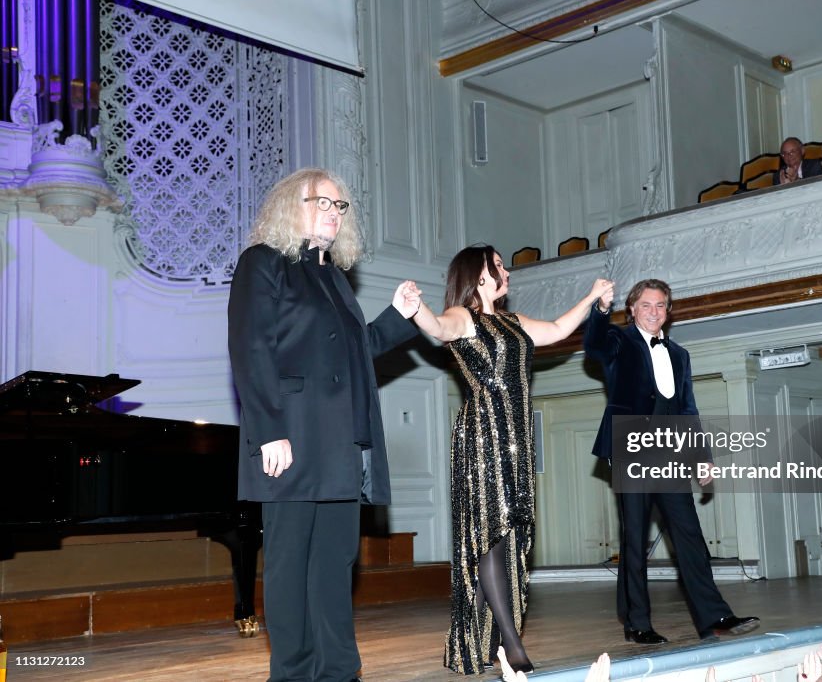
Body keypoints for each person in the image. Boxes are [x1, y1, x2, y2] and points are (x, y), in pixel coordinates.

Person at [227, 167, 421, 682]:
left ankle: (339, 670)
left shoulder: (333, 277)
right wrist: (269, 430)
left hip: (341, 442)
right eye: (323, 203)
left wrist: (396, 317)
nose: (334, 214)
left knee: (335, 564)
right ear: (292, 205)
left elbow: (357, 351)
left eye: (340, 207)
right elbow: (250, 350)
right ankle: (292, 673)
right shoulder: (263, 264)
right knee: (290, 565)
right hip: (290, 437)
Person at [409, 244, 614, 675]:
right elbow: (439, 328)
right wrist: (416, 310)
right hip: (482, 438)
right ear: (478, 275)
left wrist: (591, 297)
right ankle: (511, 644)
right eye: (498, 265)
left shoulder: (514, 322)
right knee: (492, 536)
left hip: (516, 441)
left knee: (510, 539)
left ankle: (478, 642)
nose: (506, 270)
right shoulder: (465, 318)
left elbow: (559, 328)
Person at [583, 279, 759, 644]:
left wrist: (702, 456)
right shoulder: (620, 340)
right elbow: (594, 344)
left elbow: (686, 409)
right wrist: (600, 309)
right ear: (631, 309)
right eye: (646, 305)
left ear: (669, 311)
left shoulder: (678, 354)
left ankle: (715, 615)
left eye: (661, 305)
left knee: (689, 533)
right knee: (636, 537)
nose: (654, 311)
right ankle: (637, 623)